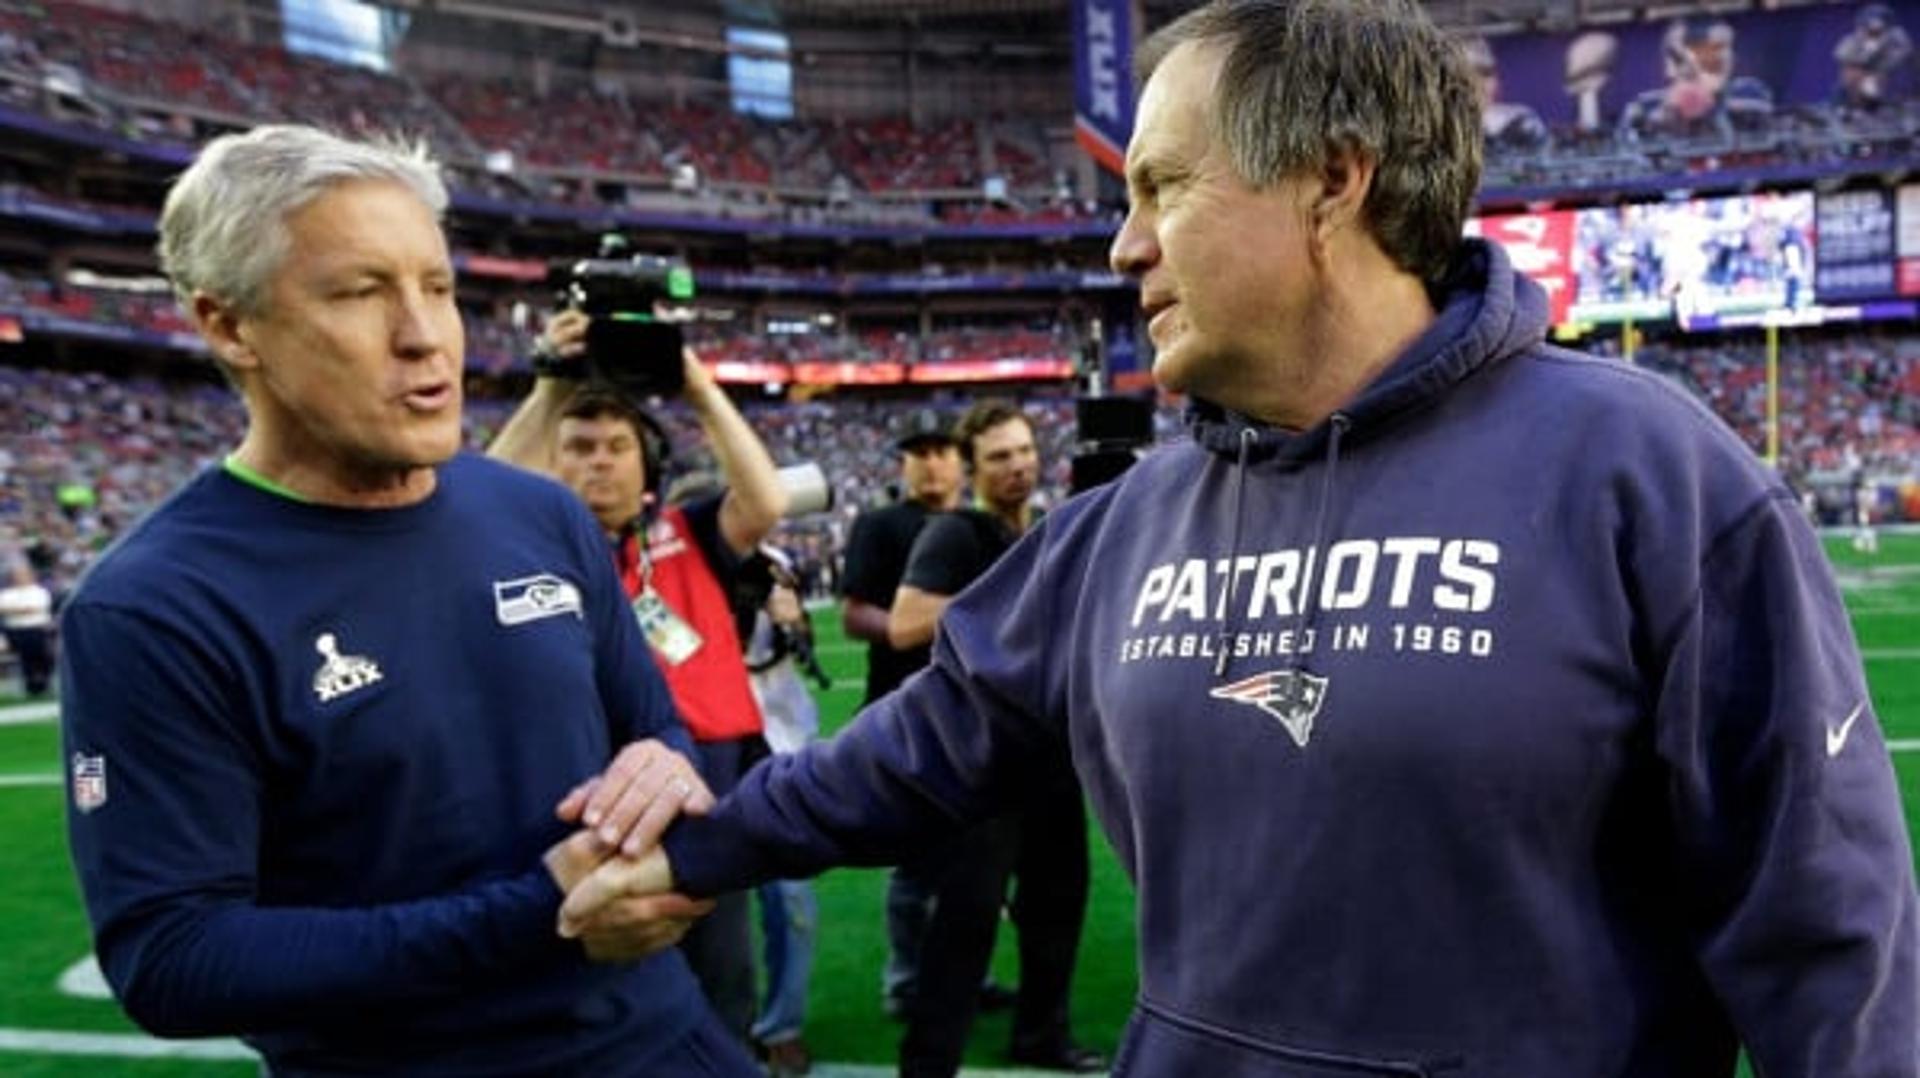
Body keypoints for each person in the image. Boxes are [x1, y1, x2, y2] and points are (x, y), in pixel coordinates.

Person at [563, 2, 1920, 1074]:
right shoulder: (1126, 524)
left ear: (1333, 180)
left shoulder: (1653, 474)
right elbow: (918, 747)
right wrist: (699, 850)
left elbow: (1824, 924)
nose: (1123, 247)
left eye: (1161, 188)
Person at [60, 124, 756, 1076]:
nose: (424, 335)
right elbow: (173, 960)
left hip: (670, 1041)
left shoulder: (543, 514)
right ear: (229, 325)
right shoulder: (155, 608)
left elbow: (656, 732)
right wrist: (537, 915)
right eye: (360, 292)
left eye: (437, 287)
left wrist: (665, 773)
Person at [489, 314, 787, 1046]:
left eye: (617, 447)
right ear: (552, 465)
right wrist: (551, 387)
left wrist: (692, 380)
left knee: (720, 968)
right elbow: (488, 485)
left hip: (707, 774)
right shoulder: (523, 546)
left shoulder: (688, 535)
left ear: (646, 464)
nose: (600, 464)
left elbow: (769, 503)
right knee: (595, 971)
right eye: (580, 449)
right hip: (587, 783)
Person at [888, 400, 1103, 1077]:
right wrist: (1013, 597)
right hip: (982, 761)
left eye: (1022, 452)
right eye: (999, 458)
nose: (1016, 467)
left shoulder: (1044, 526)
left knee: (1057, 905)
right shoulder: (957, 533)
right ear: (974, 469)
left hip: (1049, 754)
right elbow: (905, 623)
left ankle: (1042, 1035)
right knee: (967, 918)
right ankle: (928, 1061)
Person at [835, 408, 983, 1019]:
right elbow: (855, 615)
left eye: (941, 450)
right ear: (904, 462)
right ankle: (904, 980)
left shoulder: (979, 525)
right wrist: (921, 625)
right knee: (917, 863)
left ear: (960, 460)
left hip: (977, 715)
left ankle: (954, 976)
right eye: (918, 451)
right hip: (908, 711)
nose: (930, 461)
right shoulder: (881, 524)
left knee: (971, 866)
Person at [0, 555, 52, 696]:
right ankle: (33, 683)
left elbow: (38, 608)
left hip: (38, 630)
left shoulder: (39, 591)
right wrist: (22, 610)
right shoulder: (7, 593)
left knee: (39, 648)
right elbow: (4, 609)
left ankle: (41, 681)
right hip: (16, 631)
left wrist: (16, 610)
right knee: (27, 648)